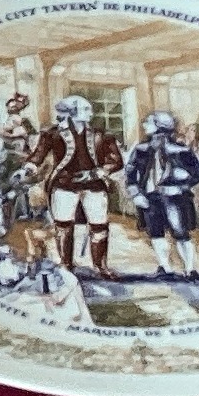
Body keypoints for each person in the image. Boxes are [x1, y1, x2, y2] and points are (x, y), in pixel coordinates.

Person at [22, 94, 124, 276]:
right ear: (71, 112)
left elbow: (116, 161)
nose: (90, 113)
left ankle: (101, 266)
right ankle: (66, 265)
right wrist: (29, 167)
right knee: (63, 226)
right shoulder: (52, 134)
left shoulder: (101, 135)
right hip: (64, 184)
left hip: (94, 185)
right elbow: (38, 154)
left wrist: (98, 172)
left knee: (99, 226)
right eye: (85, 109)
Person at [123, 112, 199, 277]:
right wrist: (135, 193)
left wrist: (183, 183)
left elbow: (198, 174)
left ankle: (190, 269)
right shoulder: (141, 149)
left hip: (174, 196)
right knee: (155, 232)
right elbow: (131, 173)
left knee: (180, 232)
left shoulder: (181, 150)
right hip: (149, 196)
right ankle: (164, 267)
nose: (144, 125)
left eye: (149, 122)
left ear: (159, 126)